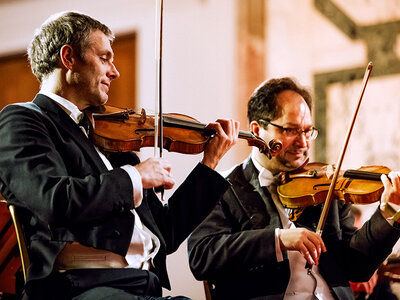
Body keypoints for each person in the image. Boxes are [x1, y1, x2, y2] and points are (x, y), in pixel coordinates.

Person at [0, 11, 240, 300]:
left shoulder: (109, 135)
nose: (115, 71)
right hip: (77, 288)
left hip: (137, 284)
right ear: (68, 58)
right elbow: (53, 199)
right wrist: (135, 177)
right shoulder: (21, 120)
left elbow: (166, 231)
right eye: (104, 58)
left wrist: (210, 163)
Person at [187, 77, 400, 300]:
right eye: (291, 130)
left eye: (307, 131)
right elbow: (202, 255)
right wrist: (279, 239)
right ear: (257, 130)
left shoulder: (325, 184)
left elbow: (356, 266)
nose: (303, 142)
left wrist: (387, 213)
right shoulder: (222, 187)